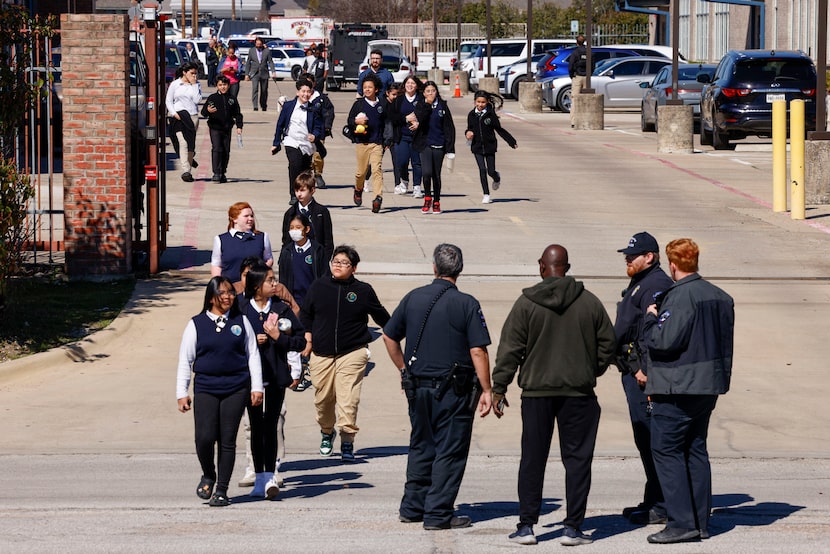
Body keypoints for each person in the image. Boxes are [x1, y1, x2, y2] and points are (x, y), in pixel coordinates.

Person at [491, 244, 616, 546]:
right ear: (567, 267)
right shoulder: (590, 303)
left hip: (536, 393)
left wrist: (499, 387)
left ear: (541, 266)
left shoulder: (526, 304)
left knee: (533, 458)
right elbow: (608, 345)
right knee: (577, 460)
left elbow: (510, 349)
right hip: (579, 393)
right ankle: (572, 528)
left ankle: (526, 526)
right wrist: (590, 370)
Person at [382, 243, 493, 531]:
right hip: (453, 390)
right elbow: (478, 351)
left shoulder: (414, 297)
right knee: (450, 450)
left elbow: (389, 337)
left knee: (421, 444)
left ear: (434, 267)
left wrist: (403, 369)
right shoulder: (467, 303)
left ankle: (412, 507)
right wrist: (487, 389)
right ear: (460, 270)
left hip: (417, 387)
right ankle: (438, 513)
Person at [643, 238, 734, 544]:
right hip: (707, 385)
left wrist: (651, 319)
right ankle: (699, 521)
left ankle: (681, 522)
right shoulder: (720, 296)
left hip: (677, 386)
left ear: (672, 265)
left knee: (667, 451)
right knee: (695, 449)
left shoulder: (681, 297)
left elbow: (663, 341)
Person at [176, 276, 264, 507]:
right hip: (206, 387)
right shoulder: (196, 324)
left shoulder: (241, 321)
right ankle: (208, 474)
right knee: (204, 438)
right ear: (211, 296)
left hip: (236, 387)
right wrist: (181, 392)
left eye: (231, 293)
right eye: (222, 293)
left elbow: (253, 354)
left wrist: (256, 387)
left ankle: (222, 490)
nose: (228, 297)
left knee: (227, 440)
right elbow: (186, 360)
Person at [299, 245, 390, 462]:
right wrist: (308, 337)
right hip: (321, 353)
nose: (338, 265)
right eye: (336, 261)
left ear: (354, 268)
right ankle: (327, 432)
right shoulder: (318, 286)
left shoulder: (363, 291)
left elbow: (383, 317)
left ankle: (347, 441)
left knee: (348, 400)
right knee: (323, 400)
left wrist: (401, 330)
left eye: (344, 263)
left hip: (353, 352)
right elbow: (306, 315)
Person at [613, 232, 673, 526]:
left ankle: (662, 504)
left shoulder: (657, 285)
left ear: (650, 257)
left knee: (651, 439)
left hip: (642, 375)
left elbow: (654, 334)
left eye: (632, 255)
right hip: (631, 368)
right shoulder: (640, 282)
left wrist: (645, 371)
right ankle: (654, 497)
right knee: (643, 438)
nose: (627, 258)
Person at [241, 262, 307, 500]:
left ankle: (269, 475)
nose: (275, 283)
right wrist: (250, 342)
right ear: (257, 286)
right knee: (256, 427)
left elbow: (300, 342)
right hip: (250, 379)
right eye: (270, 280)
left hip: (276, 376)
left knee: (271, 426)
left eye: (274, 279)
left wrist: (279, 338)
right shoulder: (241, 308)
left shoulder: (282, 308)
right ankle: (259, 477)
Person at [271, 78, 325, 206]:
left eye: (308, 91)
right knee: (295, 165)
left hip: (307, 145)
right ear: (297, 92)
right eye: (303, 91)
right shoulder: (289, 106)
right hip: (291, 141)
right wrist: (276, 142)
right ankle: (293, 195)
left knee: (305, 172)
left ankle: (305, 194)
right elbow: (280, 125)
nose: (305, 94)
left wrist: (315, 136)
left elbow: (319, 127)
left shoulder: (313, 109)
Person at [347, 74, 391, 214]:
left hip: (377, 143)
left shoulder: (382, 104)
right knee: (361, 173)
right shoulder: (358, 104)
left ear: (376, 89)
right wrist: (356, 122)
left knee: (376, 170)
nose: (367, 89)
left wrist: (387, 140)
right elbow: (349, 120)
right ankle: (358, 189)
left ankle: (377, 197)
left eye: (370, 87)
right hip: (362, 143)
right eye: (364, 87)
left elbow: (387, 123)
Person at [465, 91, 517, 205]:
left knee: (490, 171)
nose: (480, 104)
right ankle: (486, 194)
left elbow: (499, 129)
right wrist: (468, 133)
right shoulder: (471, 115)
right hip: (476, 147)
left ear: (487, 102)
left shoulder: (490, 115)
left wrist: (511, 141)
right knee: (482, 170)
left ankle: (496, 177)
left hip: (489, 147)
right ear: (474, 102)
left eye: (483, 102)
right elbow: (469, 128)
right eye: (478, 102)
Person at [413, 81, 455, 215]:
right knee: (426, 173)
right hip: (425, 144)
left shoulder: (443, 106)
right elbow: (420, 118)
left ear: (437, 92)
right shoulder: (420, 105)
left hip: (439, 144)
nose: (431, 93)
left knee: (436, 175)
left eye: (433, 91)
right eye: (428, 91)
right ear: (424, 93)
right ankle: (427, 198)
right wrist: (427, 105)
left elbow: (449, 128)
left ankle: (436, 201)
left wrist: (450, 149)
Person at [210, 202, 274, 290]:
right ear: (234, 219)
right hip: (230, 289)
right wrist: (218, 286)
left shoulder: (262, 237)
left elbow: (269, 259)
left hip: (255, 288)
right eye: (246, 216)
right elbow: (216, 265)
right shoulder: (221, 239)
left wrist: (259, 274)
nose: (250, 219)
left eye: (251, 216)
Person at [281, 169, 334, 264]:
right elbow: (286, 240)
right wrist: (284, 259)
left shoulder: (321, 212)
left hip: (316, 258)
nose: (299, 194)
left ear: (312, 190)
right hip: (295, 258)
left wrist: (324, 260)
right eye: (296, 190)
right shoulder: (290, 213)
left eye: (302, 190)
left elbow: (328, 241)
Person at [278, 212, 328, 310]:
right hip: (293, 302)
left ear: (307, 229)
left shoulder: (317, 250)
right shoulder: (287, 252)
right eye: (291, 228)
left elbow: (324, 275)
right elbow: (283, 279)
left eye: (298, 227)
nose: (294, 231)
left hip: (313, 301)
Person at [201, 75, 243, 183]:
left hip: (227, 128)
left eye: (225, 85)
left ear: (228, 86)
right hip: (215, 127)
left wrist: (239, 126)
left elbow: (238, 114)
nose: (223, 87)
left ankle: (223, 172)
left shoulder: (232, 99)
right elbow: (203, 113)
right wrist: (208, 110)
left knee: (226, 150)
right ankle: (216, 172)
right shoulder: (212, 98)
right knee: (216, 148)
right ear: (217, 86)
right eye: (220, 85)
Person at [165, 62, 202, 182]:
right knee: (183, 142)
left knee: (190, 143)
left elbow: (197, 100)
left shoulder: (196, 85)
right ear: (184, 72)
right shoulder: (175, 84)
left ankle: (189, 166)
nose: (194, 76)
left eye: (196, 74)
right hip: (179, 117)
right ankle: (186, 170)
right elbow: (168, 101)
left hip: (192, 117)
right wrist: (174, 113)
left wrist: (194, 84)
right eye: (192, 73)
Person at [390, 76, 423, 197]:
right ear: (404, 85)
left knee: (417, 163)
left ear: (417, 85)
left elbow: (427, 115)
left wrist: (419, 123)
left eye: (413, 83)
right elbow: (392, 117)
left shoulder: (421, 99)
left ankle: (417, 187)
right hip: (402, 136)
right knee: (401, 162)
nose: (410, 85)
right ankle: (404, 181)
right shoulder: (399, 100)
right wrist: (405, 119)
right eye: (408, 83)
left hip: (417, 137)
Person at [303, 72, 335, 189]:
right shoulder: (300, 99)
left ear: (314, 84)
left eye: (309, 83)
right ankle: (306, 175)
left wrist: (327, 126)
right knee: (305, 155)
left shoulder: (321, 99)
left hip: (318, 133)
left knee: (318, 155)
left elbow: (329, 112)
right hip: (303, 133)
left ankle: (318, 174)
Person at [245, 37, 275, 112]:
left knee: (264, 90)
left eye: (260, 44)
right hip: (254, 73)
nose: (258, 46)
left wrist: (273, 72)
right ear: (255, 44)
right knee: (255, 89)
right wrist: (246, 74)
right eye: (257, 44)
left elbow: (270, 62)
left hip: (264, 73)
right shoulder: (251, 51)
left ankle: (263, 105)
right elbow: (248, 63)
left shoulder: (267, 51)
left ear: (262, 44)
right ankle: (255, 106)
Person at [568, 35, 590, 127]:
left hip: (577, 76)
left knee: (575, 99)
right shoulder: (589, 52)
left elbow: (570, 65)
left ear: (576, 42)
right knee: (587, 99)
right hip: (587, 77)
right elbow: (593, 64)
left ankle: (574, 121)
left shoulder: (575, 53)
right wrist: (589, 74)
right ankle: (586, 119)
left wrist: (572, 75)